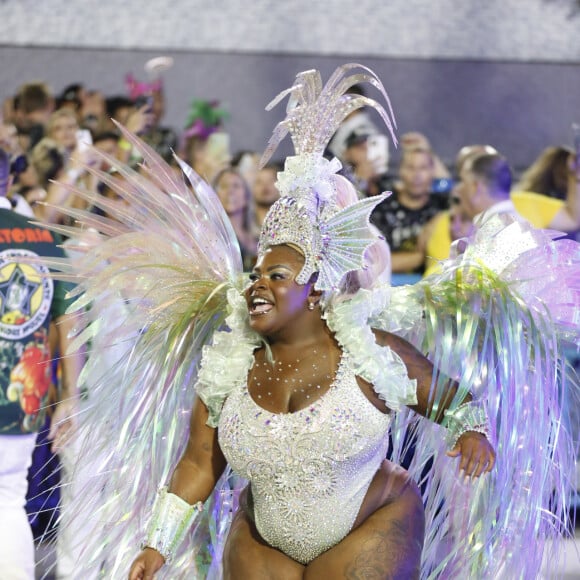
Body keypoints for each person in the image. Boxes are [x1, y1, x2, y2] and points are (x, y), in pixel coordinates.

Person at [47, 65, 577, 580]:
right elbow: (198, 463)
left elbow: (454, 402)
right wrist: (156, 545)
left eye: (277, 274)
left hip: (370, 525)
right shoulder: (227, 368)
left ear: (316, 288)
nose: (258, 283)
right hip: (264, 537)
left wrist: (472, 433)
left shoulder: (371, 353)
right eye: (255, 273)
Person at [0, 144, 82, 579]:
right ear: (9, 180)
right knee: (9, 501)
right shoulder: (40, 235)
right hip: (21, 393)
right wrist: (70, 394)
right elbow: (73, 315)